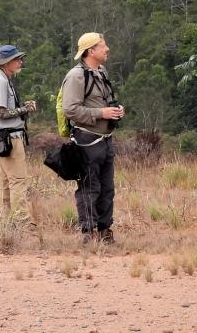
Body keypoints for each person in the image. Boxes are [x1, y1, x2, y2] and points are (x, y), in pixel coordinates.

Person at [61, 32, 123, 244]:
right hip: (86, 141)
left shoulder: (101, 72)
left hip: (106, 141)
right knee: (89, 188)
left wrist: (115, 110)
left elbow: (102, 102)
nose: (107, 49)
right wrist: (101, 114)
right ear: (91, 51)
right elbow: (70, 110)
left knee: (107, 188)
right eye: (103, 45)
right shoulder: (75, 76)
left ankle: (105, 231)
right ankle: (89, 234)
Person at [0, 44, 37, 218]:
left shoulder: (1, 79)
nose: (20, 62)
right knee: (18, 181)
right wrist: (24, 109)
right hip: (10, 138)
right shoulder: (0, 82)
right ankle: (21, 221)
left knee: (6, 182)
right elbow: (2, 112)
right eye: (17, 59)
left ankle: (6, 221)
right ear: (6, 63)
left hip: (4, 137)